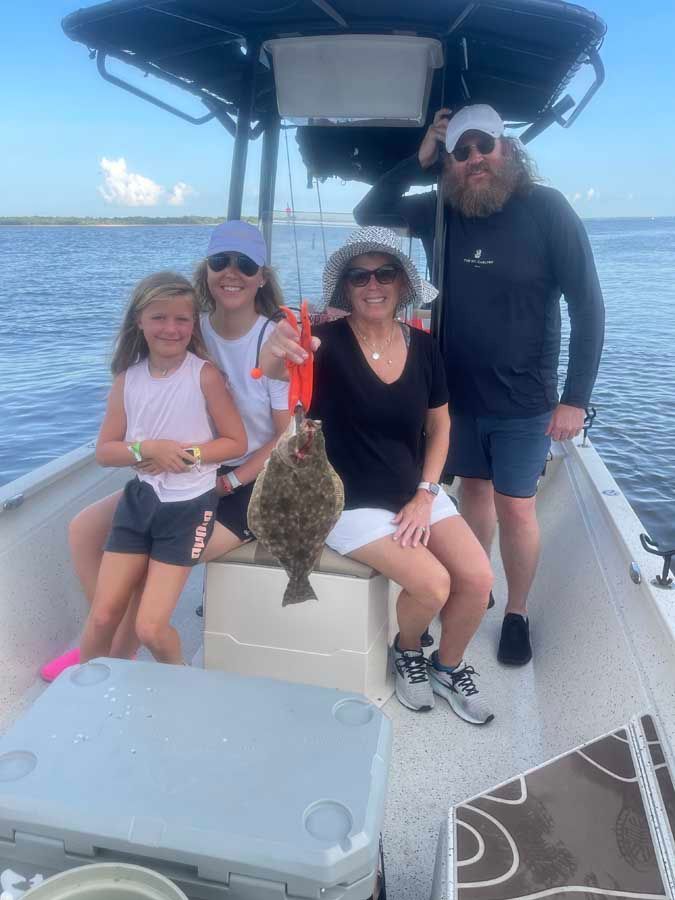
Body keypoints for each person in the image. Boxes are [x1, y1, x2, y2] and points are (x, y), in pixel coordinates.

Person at [354, 104, 605, 666]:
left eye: (483, 148)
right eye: (461, 152)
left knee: (516, 507)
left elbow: (588, 307)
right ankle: (479, 584)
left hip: (524, 400)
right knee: (472, 492)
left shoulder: (546, 209)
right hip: (454, 396)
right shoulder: (441, 208)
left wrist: (576, 398)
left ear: (506, 150)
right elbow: (368, 211)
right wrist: (418, 157)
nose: (474, 160)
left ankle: (515, 611)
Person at [260, 226, 494, 725]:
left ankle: (447, 666)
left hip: (414, 488)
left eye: (385, 273)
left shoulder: (427, 348)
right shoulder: (322, 342)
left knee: (475, 579)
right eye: (359, 275)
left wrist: (427, 494)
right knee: (432, 585)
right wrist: (278, 343)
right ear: (346, 288)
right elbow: (278, 368)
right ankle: (407, 649)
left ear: (402, 285)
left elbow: (440, 424)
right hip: (345, 499)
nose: (373, 284)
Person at [40, 222, 290, 679]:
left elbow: (286, 436)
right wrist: (152, 450)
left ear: (261, 277)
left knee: (152, 564)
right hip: (182, 469)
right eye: (220, 262)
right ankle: (111, 640)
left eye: (245, 264)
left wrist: (229, 478)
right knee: (82, 529)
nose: (231, 272)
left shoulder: (273, 339)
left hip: (251, 477)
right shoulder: (193, 328)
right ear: (207, 270)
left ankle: (118, 648)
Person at [79, 271, 247, 665]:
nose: (170, 328)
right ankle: (80, 697)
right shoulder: (127, 380)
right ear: (139, 320)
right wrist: (147, 448)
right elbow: (105, 451)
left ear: (194, 324)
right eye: (158, 317)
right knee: (103, 614)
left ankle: (182, 685)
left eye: (181, 319)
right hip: (139, 502)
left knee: (150, 628)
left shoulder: (204, 375)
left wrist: (188, 454)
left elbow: (234, 442)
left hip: (189, 508)